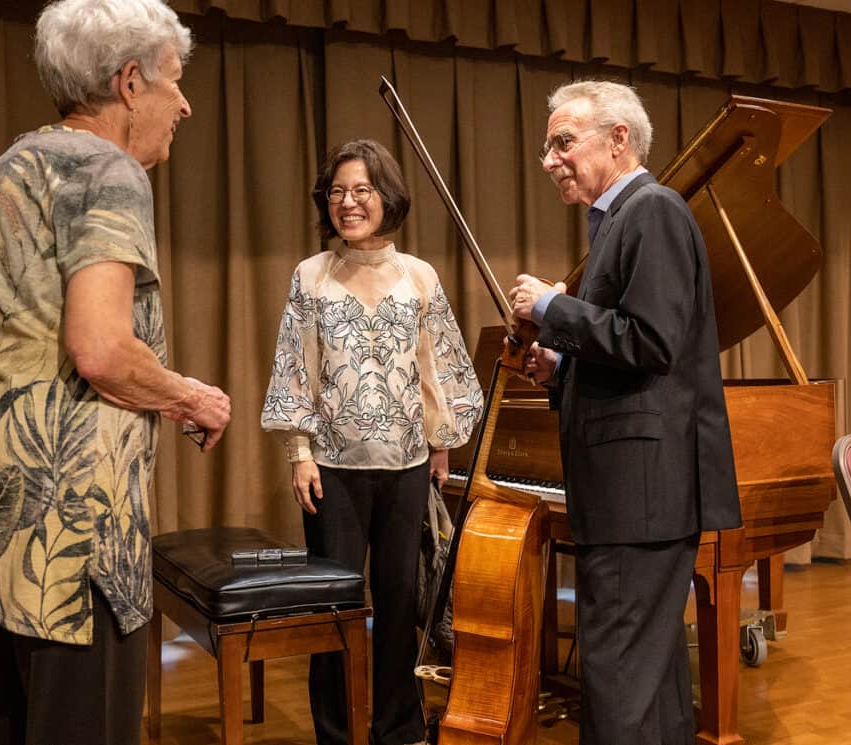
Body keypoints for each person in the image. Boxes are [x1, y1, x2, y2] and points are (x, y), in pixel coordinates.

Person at [0, 2, 231, 744]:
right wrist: (191, 396)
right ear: (129, 82)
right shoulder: (108, 171)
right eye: (173, 81)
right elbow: (99, 348)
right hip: (71, 543)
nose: (184, 104)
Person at [507, 80, 743, 745]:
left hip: (639, 495)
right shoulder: (620, 220)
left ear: (619, 139)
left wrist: (553, 311)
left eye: (563, 142)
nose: (550, 160)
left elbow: (653, 339)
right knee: (652, 682)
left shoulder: (653, 210)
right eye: (546, 147)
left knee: (615, 679)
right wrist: (563, 364)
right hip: (636, 494)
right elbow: (634, 348)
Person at [261, 139, 483, 745]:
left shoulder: (420, 277)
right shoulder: (311, 275)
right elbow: (294, 369)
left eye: (361, 190)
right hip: (332, 468)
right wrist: (298, 454)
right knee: (334, 609)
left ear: (387, 197)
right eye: (336, 191)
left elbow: (436, 368)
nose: (348, 202)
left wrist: (441, 446)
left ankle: (399, 728)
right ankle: (334, 732)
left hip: (407, 466)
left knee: (398, 604)